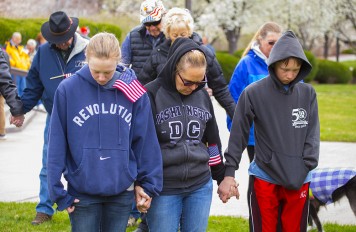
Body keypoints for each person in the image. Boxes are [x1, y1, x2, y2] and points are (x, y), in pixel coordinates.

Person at [47, 32, 163, 232]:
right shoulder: (68, 89)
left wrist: (147, 184)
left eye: (108, 72)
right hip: (82, 190)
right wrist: (57, 191)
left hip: (121, 189)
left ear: (118, 61)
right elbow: (57, 142)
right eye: (96, 71)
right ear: (86, 59)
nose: (101, 78)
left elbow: (145, 141)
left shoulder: (132, 91)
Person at [218, 30, 320, 231]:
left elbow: (312, 133)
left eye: (295, 69)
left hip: (299, 177)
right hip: (265, 177)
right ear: (273, 63)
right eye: (285, 68)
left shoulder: (308, 93)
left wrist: (307, 164)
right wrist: (229, 172)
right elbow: (238, 134)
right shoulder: (253, 93)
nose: (290, 75)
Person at [145, 37, 238, 232]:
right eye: (188, 81)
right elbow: (142, 146)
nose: (193, 87)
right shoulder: (151, 93)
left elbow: (212, 143)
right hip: (164, 188)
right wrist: (143, 184)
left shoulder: (202, 95)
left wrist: (221, 177)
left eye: (200, 81)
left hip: (199, 186)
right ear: (174, 69)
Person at [10, 11, 89, 225]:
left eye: (64, 39)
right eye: (57, 40)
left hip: (86, 118)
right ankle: (45, 208)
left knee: (84, 162)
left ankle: (84, 205)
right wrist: (20, 111)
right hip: (55, 117)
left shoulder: (89, 49)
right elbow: (33, 86)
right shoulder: (44, 52)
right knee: (49, 163)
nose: (61, 43)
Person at [226, 21, 282, 228]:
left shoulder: (284, 63)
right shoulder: (246, 65)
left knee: (279, 181)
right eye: (271, 42)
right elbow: (233, 99)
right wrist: (238, 130)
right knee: (260, 180)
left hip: (280, 135)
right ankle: (257, 223)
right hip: (254, 136)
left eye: (279, 42)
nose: (275, 47)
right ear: (260, 40)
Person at [138, 7, 236, 119]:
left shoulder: (204, 53)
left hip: (197, 113)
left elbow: (220, 89)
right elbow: (141, 85)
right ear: (168, 34)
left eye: (183, 34)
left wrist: (238, 117)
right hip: (166, 114)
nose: (180, 39)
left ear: (189, 32)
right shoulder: (158, 54)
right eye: (175, 35)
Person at [121, 0, 166, 75]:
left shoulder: (173, 35)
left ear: (164, 17)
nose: (152, 28)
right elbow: (123, 66)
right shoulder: (132, 36)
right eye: (147, 23)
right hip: (139, 85)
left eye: (155, 23)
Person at [0, 50, 24, 139]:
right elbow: (6, 81)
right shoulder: (5, 53)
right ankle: (2, 131)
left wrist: (17, 110)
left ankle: (2, 131)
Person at [4, 32, 31, 96]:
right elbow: (6, 57)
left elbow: (26, 57)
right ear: (13, 38)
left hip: (23, 70)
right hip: (14, 71)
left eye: (20, 39)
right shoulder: (7, 46)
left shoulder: (20, 47)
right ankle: (16, 103)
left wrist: (27, 65)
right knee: (16, 87)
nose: (20, 40)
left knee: (23, 87)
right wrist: (15, 64)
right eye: (18, 39)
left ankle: (22, 102)